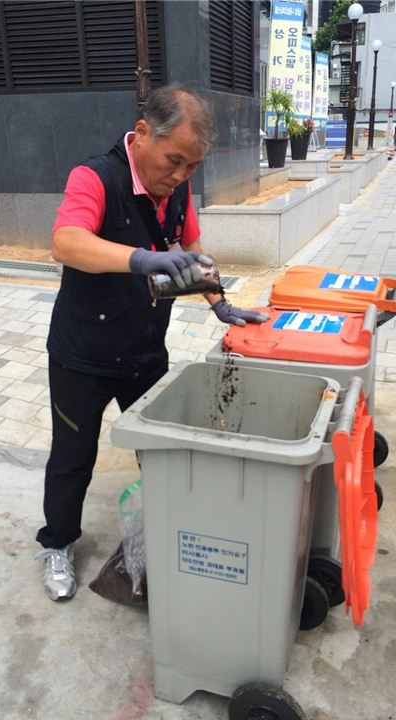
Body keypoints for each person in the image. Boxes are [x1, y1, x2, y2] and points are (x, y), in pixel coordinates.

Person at [35, 85, 269, 601]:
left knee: (161, 451)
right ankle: (57, 543)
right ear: (143, 133)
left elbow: (192, 247)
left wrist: (219, 302)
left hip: (144, 351)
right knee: (72, 457)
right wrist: (141, 258)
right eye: (174, 161)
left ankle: (172, 531)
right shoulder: (95, 177)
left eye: (192, 166)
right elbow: (66, 242)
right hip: (82, 355)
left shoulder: (177, 189)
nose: (180, 175)